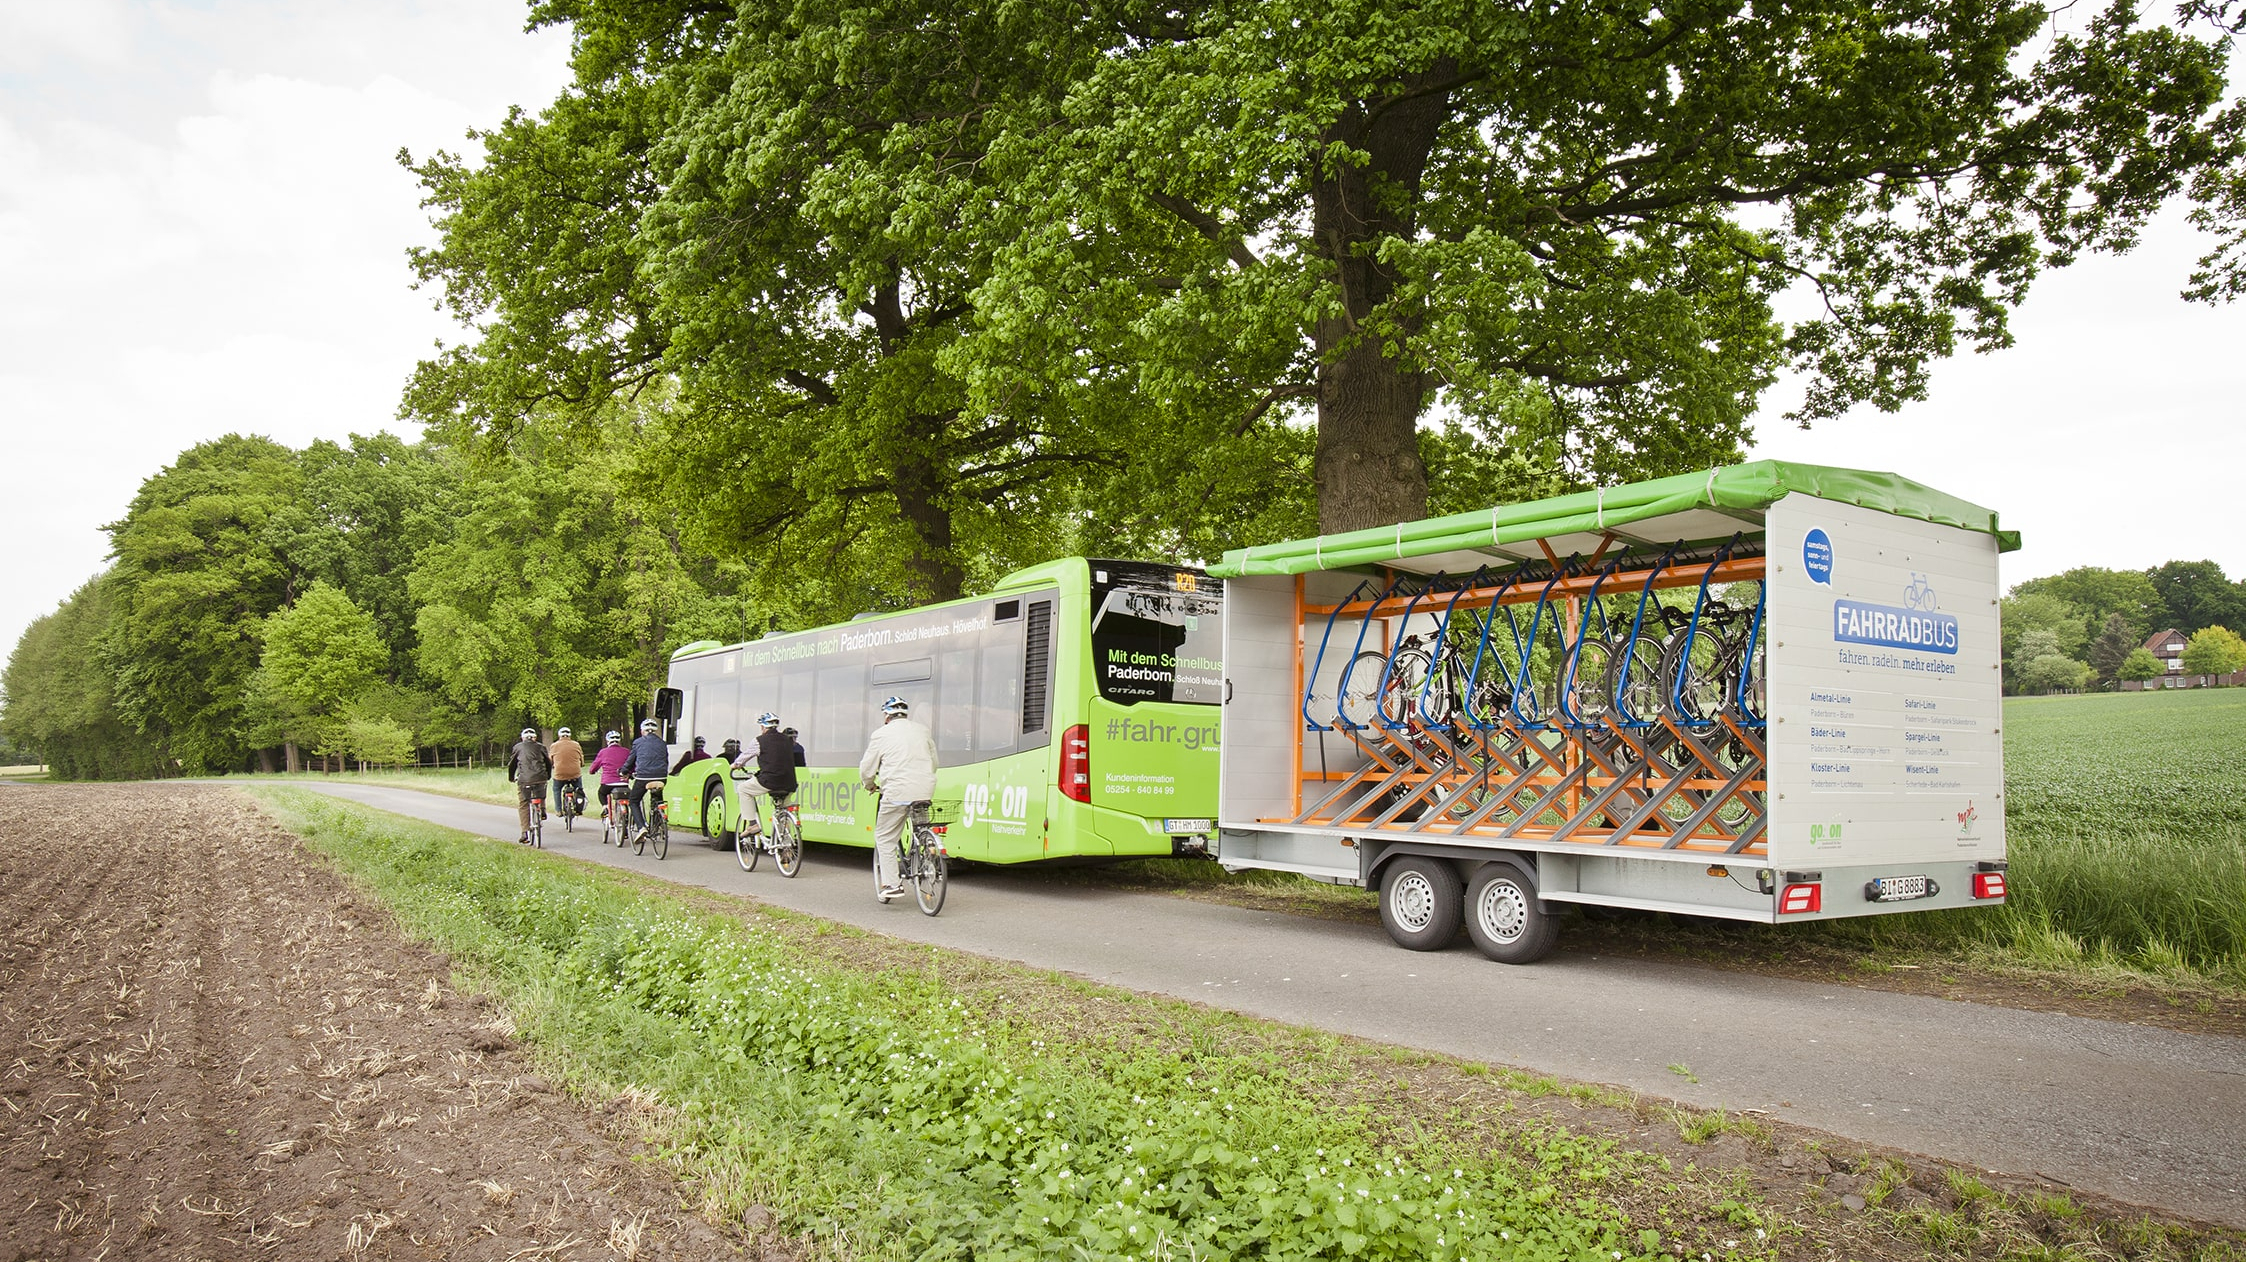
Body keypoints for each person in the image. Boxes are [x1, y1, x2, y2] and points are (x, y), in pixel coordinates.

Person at [858, 695, 936, 903]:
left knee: (884, 837)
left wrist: (869, 785)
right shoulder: (922, 730)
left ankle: (892, 885)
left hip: (897, 792)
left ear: (887, 716)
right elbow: (934, 762)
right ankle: (928, 853)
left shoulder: (881, 734)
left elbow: (866, 769)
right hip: (925, 789)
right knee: (921, 827)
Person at [625, 718, 672, 841]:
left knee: (634, 801)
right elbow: (665, 760)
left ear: (642, 731)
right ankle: (659, 822)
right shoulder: (662, 743)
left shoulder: (638, 742)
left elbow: (631, 760)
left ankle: (641, 828)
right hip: (661, 777)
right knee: (657, 798)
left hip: (643, 777)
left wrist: (624, 771)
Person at [504, 727, 550, 844]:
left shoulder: (518, 747)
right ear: (534, 738)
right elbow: (548, 763)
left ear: (523, 738)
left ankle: (524, 832)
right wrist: (548, 775)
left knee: (524, 804)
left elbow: (512, 765)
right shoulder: (541, 747)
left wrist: (511, 778)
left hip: (524, 780)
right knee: (541, 789)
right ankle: (543, 809)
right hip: (540, 778)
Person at [588, 730, 630, 815]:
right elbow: (632, 765)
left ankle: (605, 807)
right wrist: (629, 774)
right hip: (623, 783)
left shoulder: (603, 752)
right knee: (626, 797)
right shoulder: (626, 751)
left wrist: (592, 771)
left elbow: (594, 766)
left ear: (607, 741)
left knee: (601, 793)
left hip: (608, 783)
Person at [549, 726, 585, 817]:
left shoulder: (554, 746)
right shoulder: (576, 744)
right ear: (570, 735)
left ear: (559, 735)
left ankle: (558, 810)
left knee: (556, 789)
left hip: (560, 774)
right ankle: (578, 808)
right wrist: (581, 764)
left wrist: (553, 765)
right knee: (579, 789)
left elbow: (550, 760)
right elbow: (582, 759)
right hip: (575, 773)